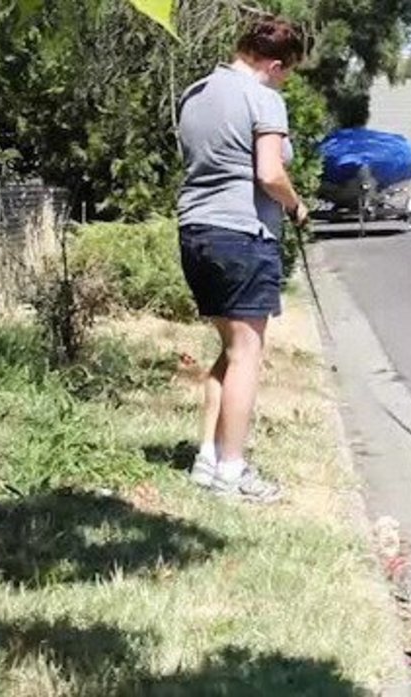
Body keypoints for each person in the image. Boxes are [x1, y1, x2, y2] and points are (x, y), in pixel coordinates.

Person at [175, 16, 310, 503]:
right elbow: (270, 172)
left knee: (230, 350)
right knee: (247, 355)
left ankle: (207, 461)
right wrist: (295, 206)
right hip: (242, 237)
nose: (284, 81)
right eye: (287, 72)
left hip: (195, 233)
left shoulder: (195, 94)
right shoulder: (264, 98)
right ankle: (233, 471)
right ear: (275, 65)